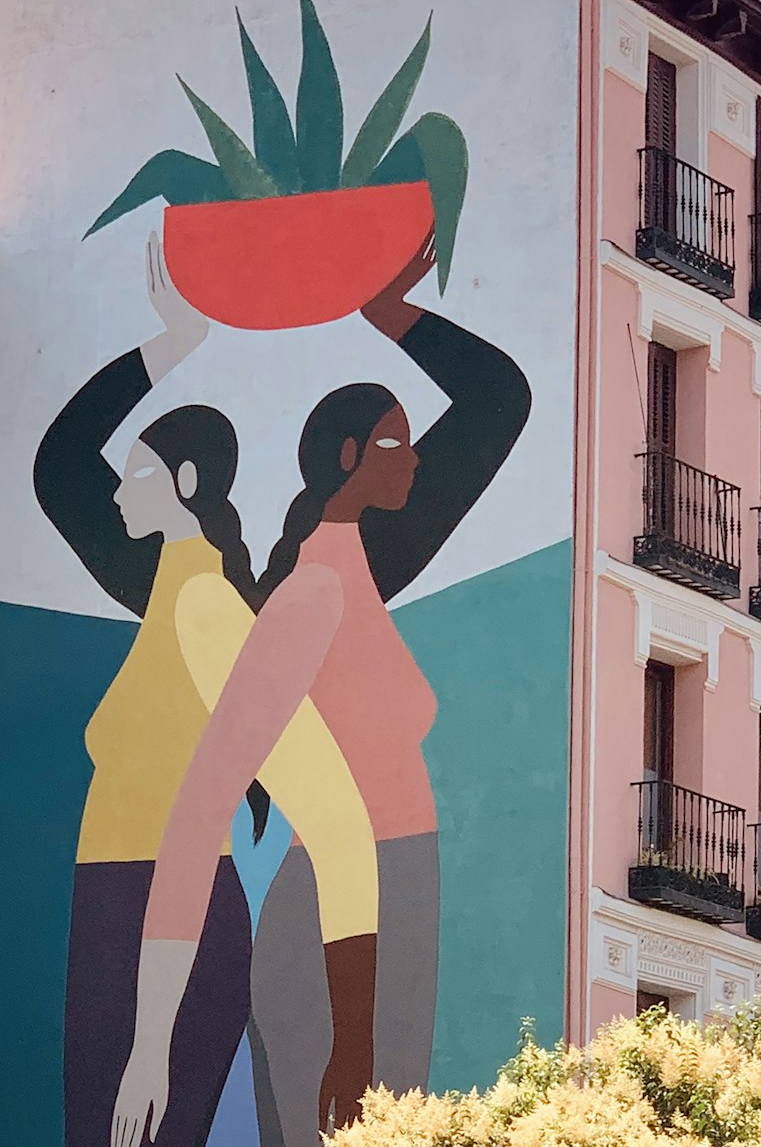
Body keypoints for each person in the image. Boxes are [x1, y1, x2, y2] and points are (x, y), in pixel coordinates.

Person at [122, 231, 532, 1131]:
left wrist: (392, 318)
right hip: (343, 928)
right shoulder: (308, 594)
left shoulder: (365, 567)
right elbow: (201, 806)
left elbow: (501, 401)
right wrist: (151, 1042)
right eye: (395, 442)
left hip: (399, 901)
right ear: (349, 459)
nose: (416, 457)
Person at [34, 236, 377, 1147]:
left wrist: (156, 1042)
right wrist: (170, 344)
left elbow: (322, 805)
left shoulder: (207, 609)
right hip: (109, 906)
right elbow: (60, 466)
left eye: (138, 473)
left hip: (158, 923)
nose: (117, 493)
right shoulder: (160, 593)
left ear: (184, 484)